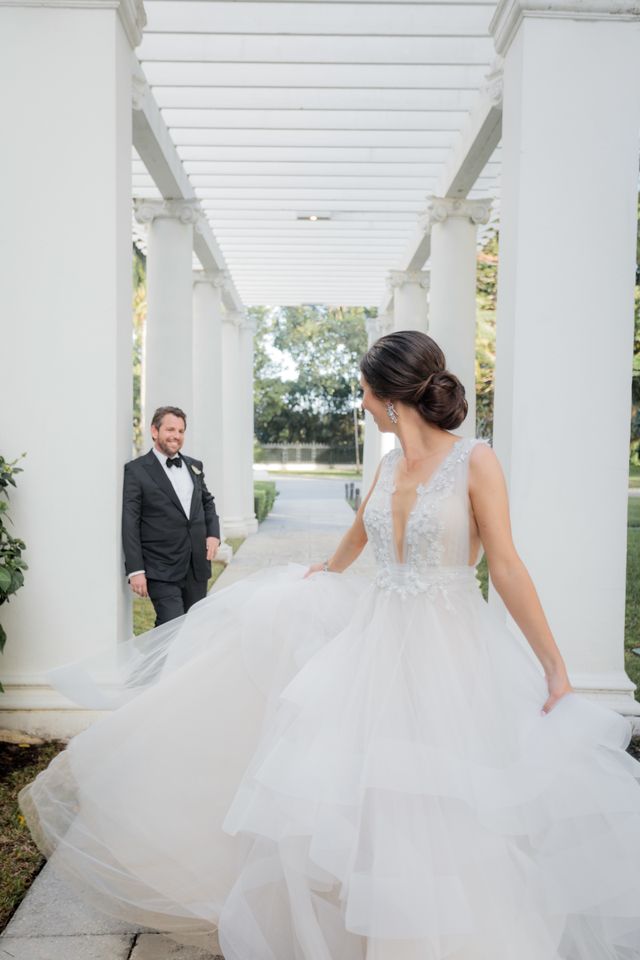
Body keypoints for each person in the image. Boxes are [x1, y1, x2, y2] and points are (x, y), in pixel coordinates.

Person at [20, 332, 640, 960]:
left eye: (366, 394)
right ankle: (370, 924)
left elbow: (505, 566)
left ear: (393, 398)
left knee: (445, 786)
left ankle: (450, 931)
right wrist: (324, 572)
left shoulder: (475, 461)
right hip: (375, 643)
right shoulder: (390, 463)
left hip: (451, 648)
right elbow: (358, 533)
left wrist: (554, 667)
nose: (363, 405)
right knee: (365, 787)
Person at [122, 406, 220, 625]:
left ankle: (158, 661)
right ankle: (156, 660)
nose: (176, 435)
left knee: (192, 629)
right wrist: (136, 570)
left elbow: (207, 501)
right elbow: (130, 522)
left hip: (196, 566)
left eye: (181, 431)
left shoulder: (194, 466)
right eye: (170, 429)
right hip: (161, 568)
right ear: (154, 431)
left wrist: (213, 534)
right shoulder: (136, 471)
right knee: (171, 628)